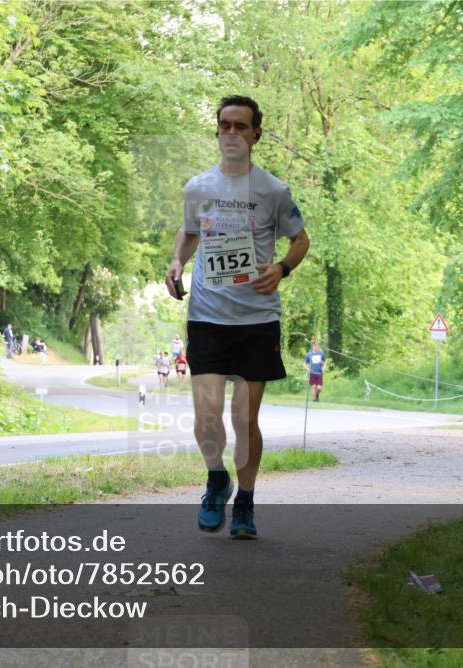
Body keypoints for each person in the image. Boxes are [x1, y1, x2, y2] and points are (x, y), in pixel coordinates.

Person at [165, 94, 310, 538]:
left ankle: (245, 503)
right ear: (218, 132)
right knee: (206, 417)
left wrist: (282, 268)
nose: (231, 133)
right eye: (224, 126)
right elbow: (189, 234)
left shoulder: (272, 190)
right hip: (207, 316)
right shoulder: (199, 188)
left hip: (256, 319)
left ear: (256, 135)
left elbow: (300, 240)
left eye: (240, 127)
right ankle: (216, 479)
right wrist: (175, 262)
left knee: (244, 420)